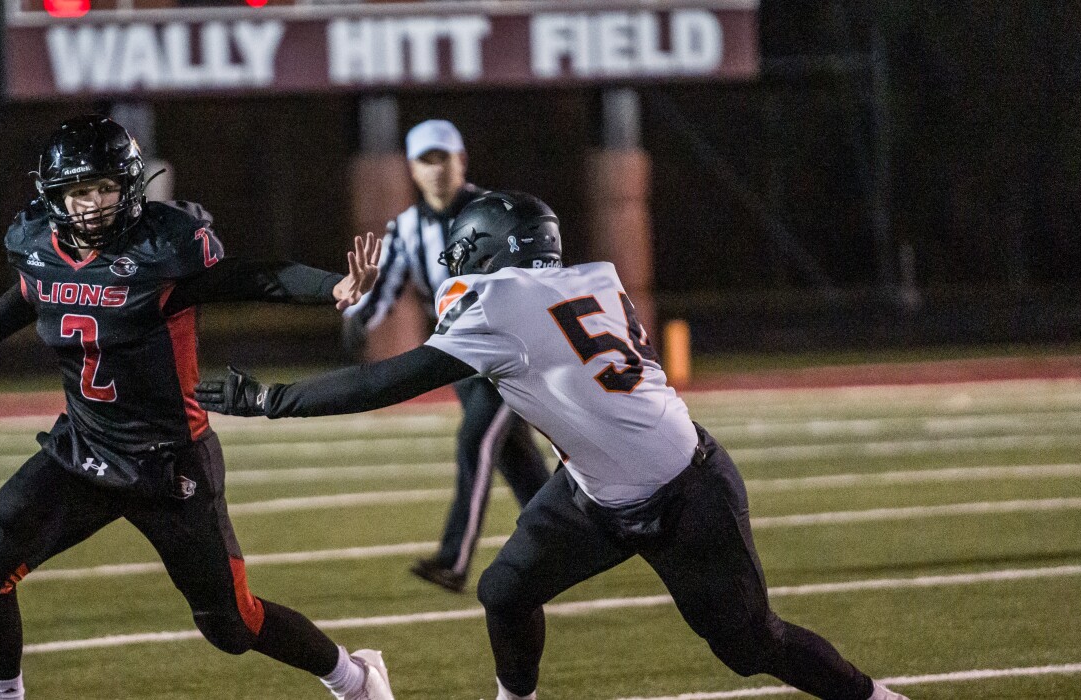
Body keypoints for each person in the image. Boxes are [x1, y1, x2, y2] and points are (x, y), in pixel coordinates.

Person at [196, 191, 910, 700]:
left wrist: (270, 400)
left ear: (491, 250)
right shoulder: (594, 277)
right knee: (506, 591)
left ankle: (875, 697)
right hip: (598, 487)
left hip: (685, 493)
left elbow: (390, 380)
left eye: (466, 250)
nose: (457, 265)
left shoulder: (502, 305)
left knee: (754, 647)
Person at [0, 115, 395, 700]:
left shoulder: (163, 250)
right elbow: (32, 291)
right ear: (56, 195)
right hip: (83, 451)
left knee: (232, 626)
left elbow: (253, 277)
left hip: (169, 465)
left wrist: (332, 287)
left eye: (106, 188)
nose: (93, 204)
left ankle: (355, 679)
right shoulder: (38, 245)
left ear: (130, 188)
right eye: (81, 191)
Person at [343, 119, 549, 593]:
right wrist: (354, 319)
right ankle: (567, 533)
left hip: (505, 353)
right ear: (412, 170)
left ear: (462, 161)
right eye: (425, 160)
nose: (435, 170)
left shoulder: (495, 213)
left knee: (475, 440)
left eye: (443, 157)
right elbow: (384, 288)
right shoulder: (407, 228)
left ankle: (454, 560)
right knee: (518, 460)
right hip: (460, 357)